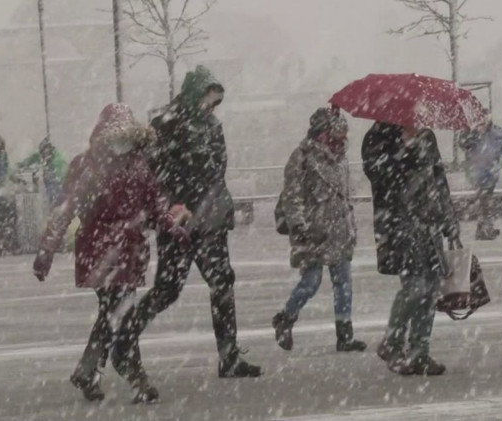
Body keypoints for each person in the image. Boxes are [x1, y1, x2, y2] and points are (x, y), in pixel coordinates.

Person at [111, 65, 263, 379]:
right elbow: (154, 171)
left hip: (210, 221)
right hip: (178, 222)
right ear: (195, 93)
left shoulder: (211, 126)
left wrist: (209, 205)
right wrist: (174, 204)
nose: (211, 106)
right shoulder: (166, 124)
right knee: (168, 289)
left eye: (215, 100)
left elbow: (218, 168)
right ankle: (124, 337)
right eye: (208, 98)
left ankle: (229, 356)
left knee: (222, 283)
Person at [32, 104, 189, 403]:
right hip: (100, 250)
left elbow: (156, 205)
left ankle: (89, 371)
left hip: (128, 250)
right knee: (120, 313)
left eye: (128, 137)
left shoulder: (138, 165)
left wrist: (172, 227)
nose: (123, 143)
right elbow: (65, 211)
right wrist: (46, 250)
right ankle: (135, 377)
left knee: (113, 314)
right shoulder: (88, 166)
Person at [362, 122, 461, 376]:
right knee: (415, 287)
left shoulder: (427, 136)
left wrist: (450, 221)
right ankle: (392, 341)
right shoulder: (377, 137)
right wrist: (403, 148)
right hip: (398, 225)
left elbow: (439, 180)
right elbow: (377, 175)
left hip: (430, 224)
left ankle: (419, 351)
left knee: (430, 289)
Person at [271, 108, 366, 352]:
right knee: (311, 282)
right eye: (337, 133)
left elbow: (345, 194)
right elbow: (292, 197)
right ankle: (286, 318)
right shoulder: (302, 157)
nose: (342, 139)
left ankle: (344, 335)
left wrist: (350, 224)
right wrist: (299, 225)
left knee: (343, 283)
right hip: (313, 230)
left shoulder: (341, 157)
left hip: (339, 229)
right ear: (324, 131)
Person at [458, 116, 502, 240]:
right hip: (477, 172)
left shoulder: (494, 134)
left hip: (489, 172)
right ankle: (486, 227)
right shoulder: (470, 133)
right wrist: (473, 134)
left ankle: (483, 228)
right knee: (484, 200)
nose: (482, 125)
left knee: (485, 201)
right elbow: (463, 144)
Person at [17, 137, 68, 207]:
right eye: (42, 154)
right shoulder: (43, 154)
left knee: (56, 197)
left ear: (50, 150)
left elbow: (59, 175)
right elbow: (33, 158)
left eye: (45, 153)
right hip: (51, 188)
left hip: (58, 187)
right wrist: (22, 165)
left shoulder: (58, 159)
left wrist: (49, 175)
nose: (43, 156)